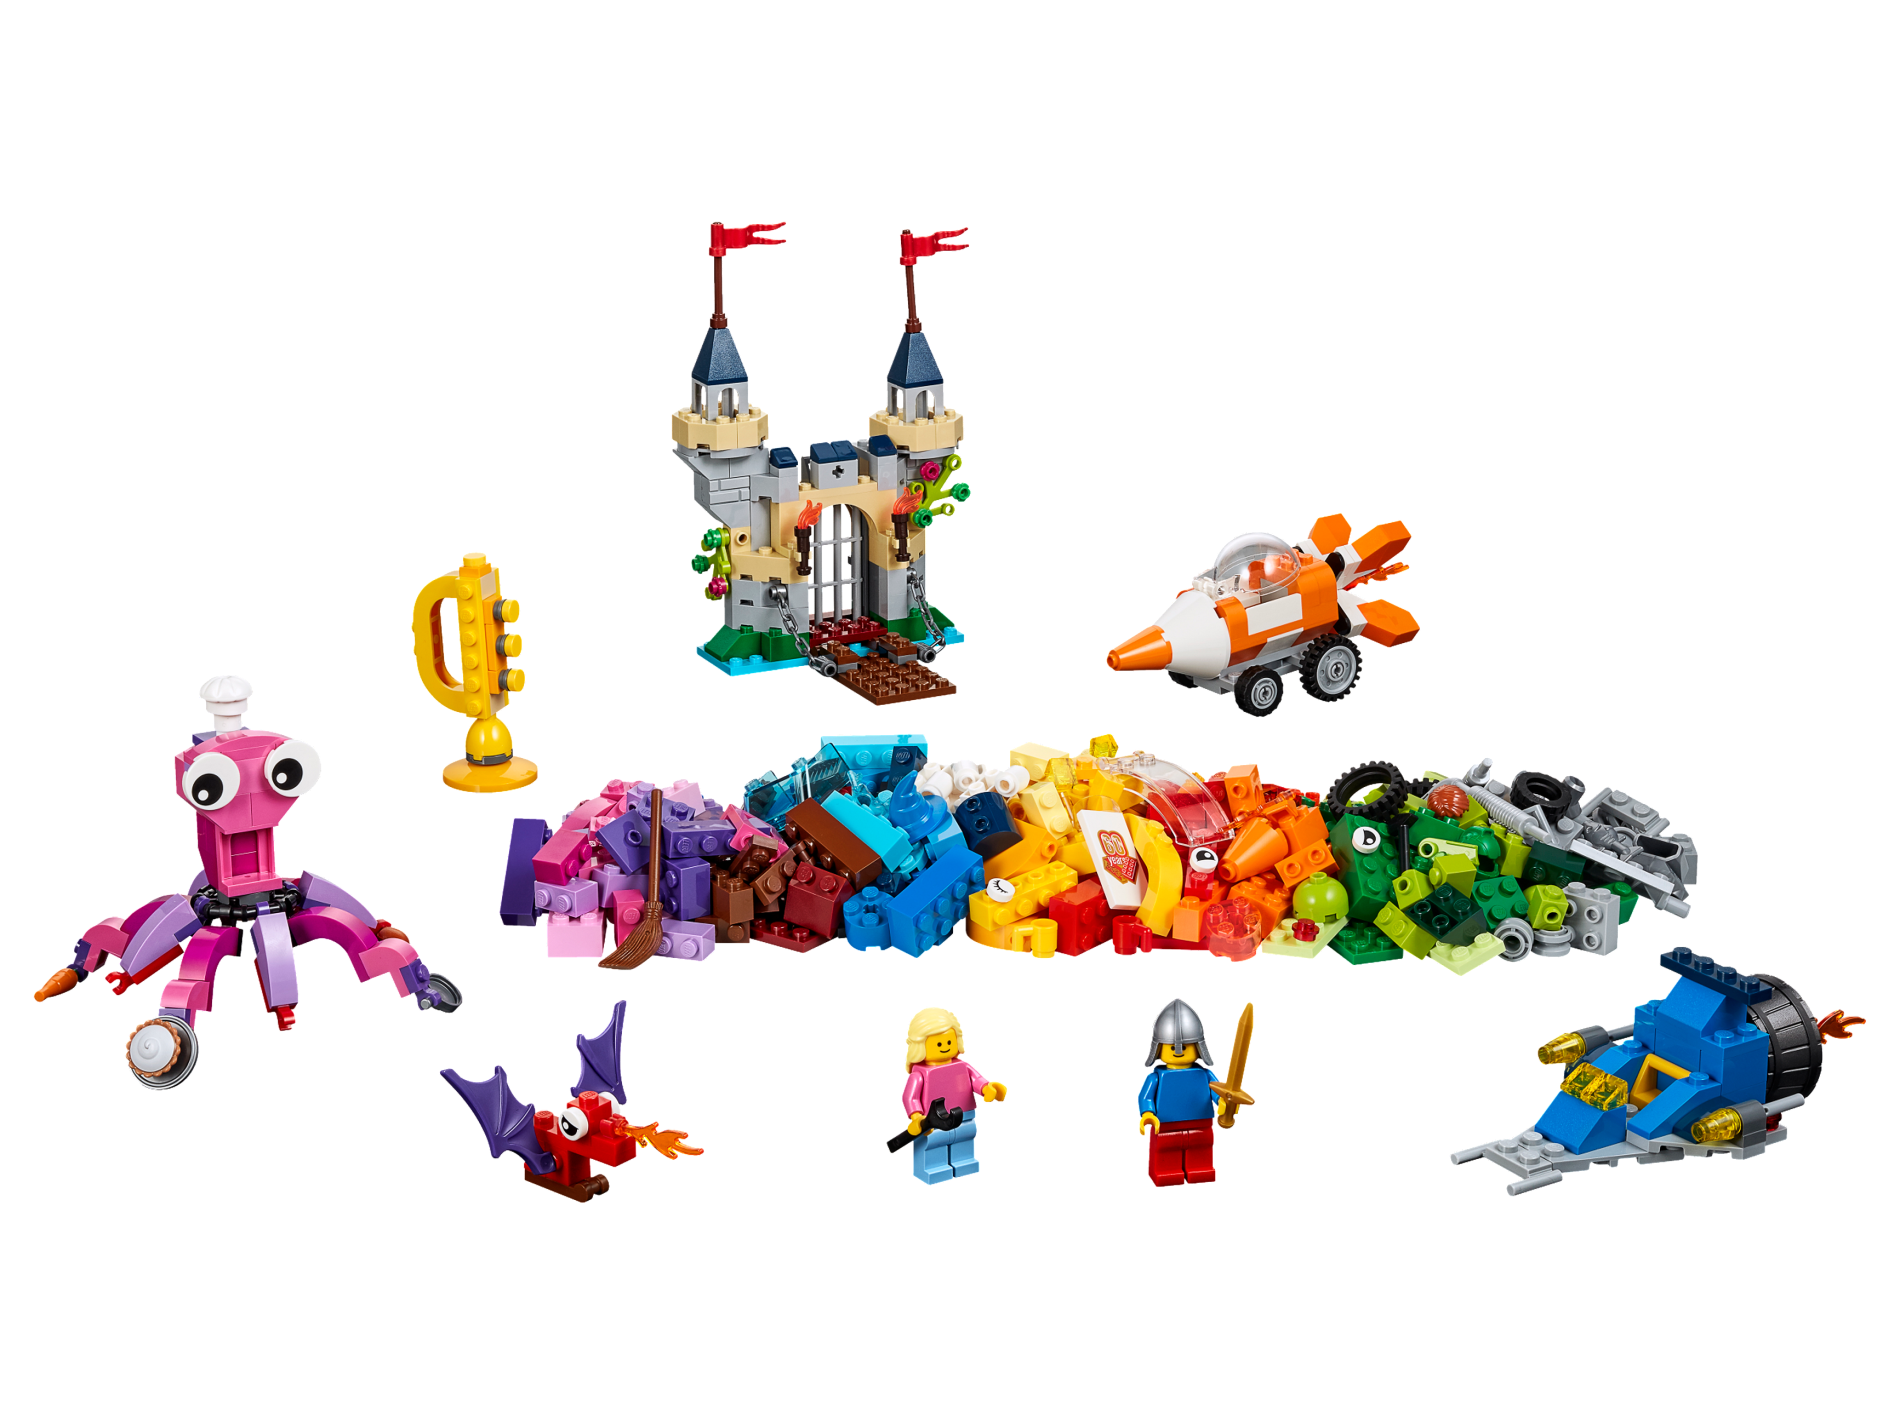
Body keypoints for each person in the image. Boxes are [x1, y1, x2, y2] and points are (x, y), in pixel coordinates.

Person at [901, 1006, 1007, 1185]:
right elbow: (910, 1097)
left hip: (964, 1113)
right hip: (932, 1120)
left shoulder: (962, 1066)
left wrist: (987, 1088)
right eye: (939, 1044)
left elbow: (976, 1080)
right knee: (934, 1141)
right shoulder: (919, 1074)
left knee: (965, 1135)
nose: (945, 1047)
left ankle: (964, 1161)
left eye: (949, 1042)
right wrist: (916, 1115)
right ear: (920, 1046)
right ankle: (933, 1168)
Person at [1138, 998, 1226, 1187]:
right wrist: (1148, 1113)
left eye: (1185, 1047)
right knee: (1166, 1148)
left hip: (1201, 1124)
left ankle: (1200, 1168)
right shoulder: (1156, 1078)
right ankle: (1166, 1170)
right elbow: (1145, 1096)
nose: (1178, 1051)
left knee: (1201, 1146)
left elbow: (1217, 1091)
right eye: (1172, 1047)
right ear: (1159, 1048)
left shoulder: (1205, 1075)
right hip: (1166, 1126)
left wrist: (1223, 1102)